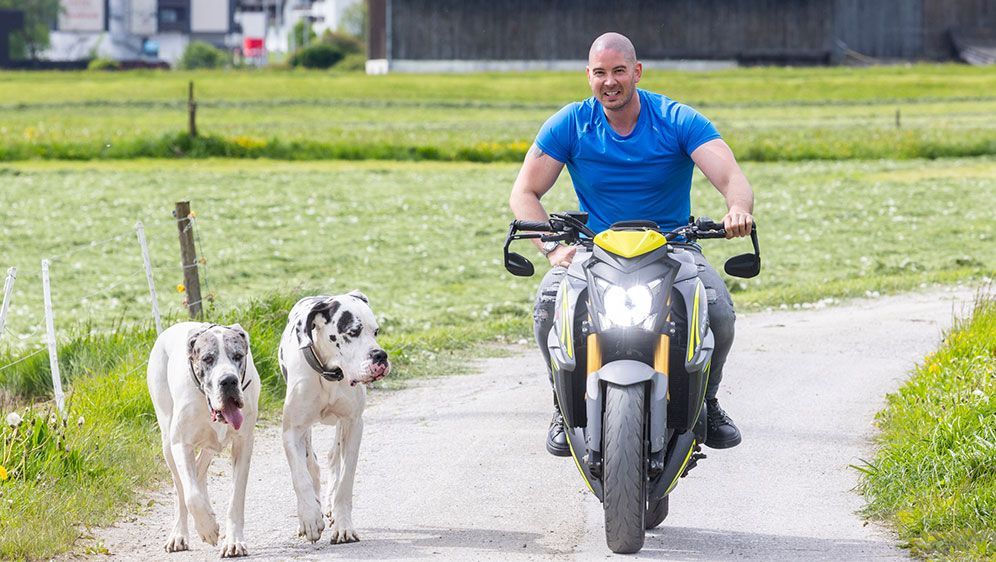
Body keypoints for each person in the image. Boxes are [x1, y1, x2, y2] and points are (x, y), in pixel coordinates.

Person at [508, 32, 754, 457]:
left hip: (673, 244)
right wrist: (552, 248)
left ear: (636, 72)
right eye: (600, 73)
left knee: (719, 313)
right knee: (548, 308)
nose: (610, 81)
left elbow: (731, 177)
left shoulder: (677, 119)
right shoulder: (571, 122)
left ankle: (707, 403)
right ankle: (562, 406)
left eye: (619, 71)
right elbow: (524, 193)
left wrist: (737, 210)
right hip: (592, 248)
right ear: (588, 76)